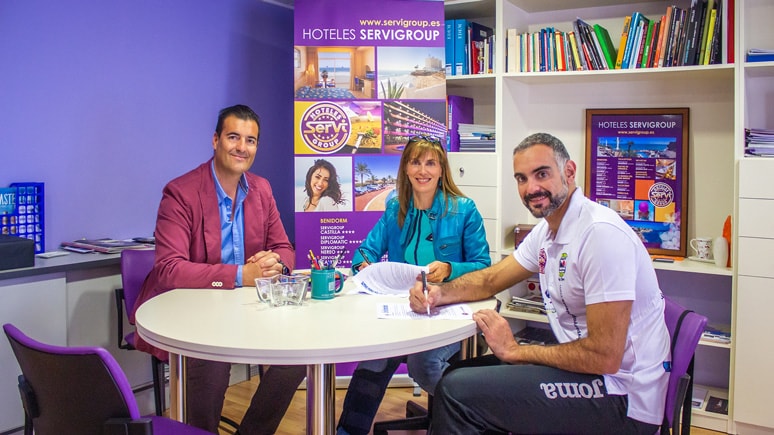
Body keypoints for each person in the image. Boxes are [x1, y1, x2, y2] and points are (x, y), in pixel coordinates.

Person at [409, 132, 670, 435]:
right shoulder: (549, 231)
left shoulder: (600, 235)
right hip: (593, 375)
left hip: (623, 396)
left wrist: (516, 351)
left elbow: (605, 356)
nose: (531, 188)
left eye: (541, 174)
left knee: (458, 393)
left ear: (569, 172)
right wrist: (440, 293)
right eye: (521, 178)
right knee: (457, 375)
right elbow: (491, 279)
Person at [130, 104, 306, 434]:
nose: (242, 147)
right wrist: (242, 275)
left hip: (246, 308)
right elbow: (169, 269)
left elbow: (285, 249)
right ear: (215, 140)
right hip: (192, 310)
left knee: (298, 355)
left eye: (250, 140)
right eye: (233, 137)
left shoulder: (261, 189)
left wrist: (276, 262)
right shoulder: (180, 192)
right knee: (211, 363)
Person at [336, 135, 491, 435]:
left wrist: (449, 269)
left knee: (424, 364)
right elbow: (364, 252)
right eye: (415, 162)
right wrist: (365, 267)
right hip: (403, 309)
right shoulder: (396, 207)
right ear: (405, 168)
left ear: (442, 169)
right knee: (373, 359)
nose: (423, 170)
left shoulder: (464, 210)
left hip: (449, 312)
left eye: (430, 163)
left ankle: (475, 419)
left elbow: (483, 268)